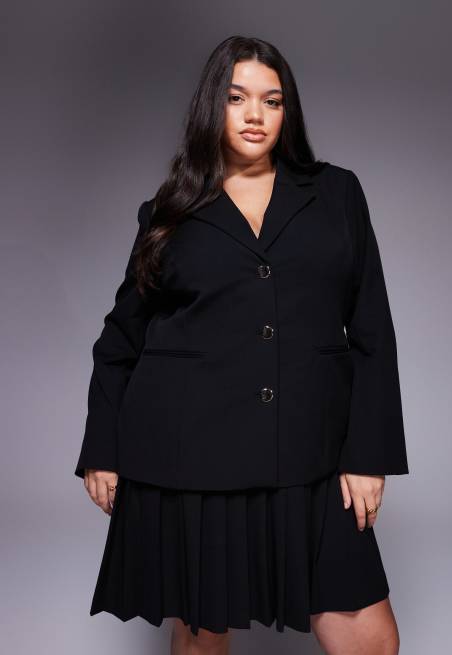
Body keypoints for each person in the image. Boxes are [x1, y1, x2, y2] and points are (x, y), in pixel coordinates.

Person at [74, 35, 409, 655]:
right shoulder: (170, 211)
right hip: (194, 458)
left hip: (313, 452)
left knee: (370, 638)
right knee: (202, 639)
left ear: (287, 111)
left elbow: (372, 330)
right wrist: (102, 450)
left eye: (271, 101)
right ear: (213, 106)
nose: (255, 115)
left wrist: (369, 455)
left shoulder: (337, 194)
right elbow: (120, 339)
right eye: (237, 98)